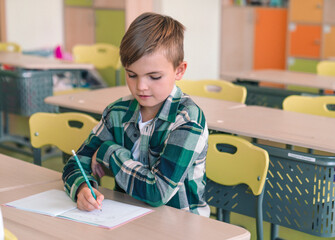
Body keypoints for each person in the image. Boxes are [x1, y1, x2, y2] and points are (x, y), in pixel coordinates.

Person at [62, 12, 210, 217]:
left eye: (154, 77)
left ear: (179, 70)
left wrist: (109, 152)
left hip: (182, 224)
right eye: (131, 75)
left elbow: (157, 192)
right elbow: (76, 163)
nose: (141, 87)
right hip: (125, 217)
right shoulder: (117, 112)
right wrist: (82, 189)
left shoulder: (187, 120)